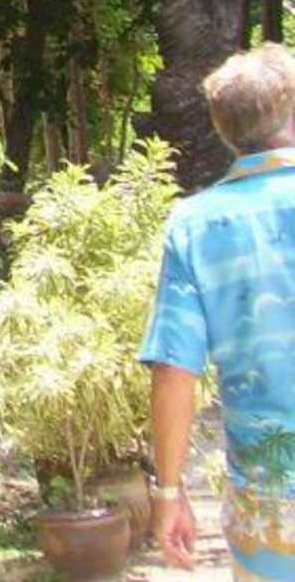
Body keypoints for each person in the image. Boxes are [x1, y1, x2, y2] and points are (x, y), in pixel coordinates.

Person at [139, 42, 295, 576]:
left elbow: (174, 369)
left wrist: (168, 492)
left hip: (271, 528)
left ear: (225, 132)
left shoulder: (196, 224)